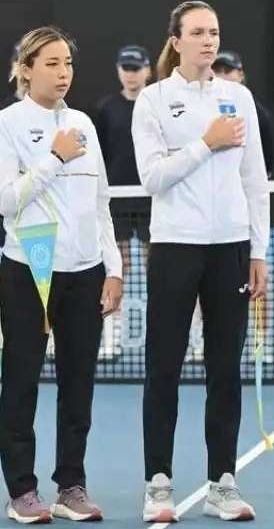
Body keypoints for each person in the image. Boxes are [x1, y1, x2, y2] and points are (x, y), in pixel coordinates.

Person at [132, 0, 269, 522]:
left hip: (230, 249)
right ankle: (158, 484)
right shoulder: (153, 100)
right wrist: (205, 144)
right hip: (174, 246)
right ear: (176, 41)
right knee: (163, 368)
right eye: (198, 32)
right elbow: (152, 178)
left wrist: (258, 251)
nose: (209, 40)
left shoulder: (239, 98)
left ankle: (222, 484)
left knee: (225, 371)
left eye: (214, 32)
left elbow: (255, 180)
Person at [0, 26, 123, 524]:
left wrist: (113, 267)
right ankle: (22, 491)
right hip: (30, 270)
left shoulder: (83, 123)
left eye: (68, 63)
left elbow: (101, 201)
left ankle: (71, 487)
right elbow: (6, 200)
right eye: (52, 63)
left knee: (78, 386)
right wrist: (54, 156)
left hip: (85, 274)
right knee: (21, 383)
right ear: (26, 70)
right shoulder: (3, 124)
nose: (64, 73)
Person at [93, 44, 152, 360]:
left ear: (147, 70)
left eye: (136, 69)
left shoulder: (155, 103)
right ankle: (111, 339)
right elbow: (99, 154)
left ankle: (182, 337)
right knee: (117, 269)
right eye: (126, 69)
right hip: (116, 201)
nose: (131, 74)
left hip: (151, 198)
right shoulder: (106, 108)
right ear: (118, 71)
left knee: (159, 270)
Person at [212, 50, 274, 179]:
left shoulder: (258, 113)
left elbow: (266, 160)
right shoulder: (202, 107)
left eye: (227, 71)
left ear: (241, 75)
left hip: (243, 180)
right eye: (217, 71)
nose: (222, 76)